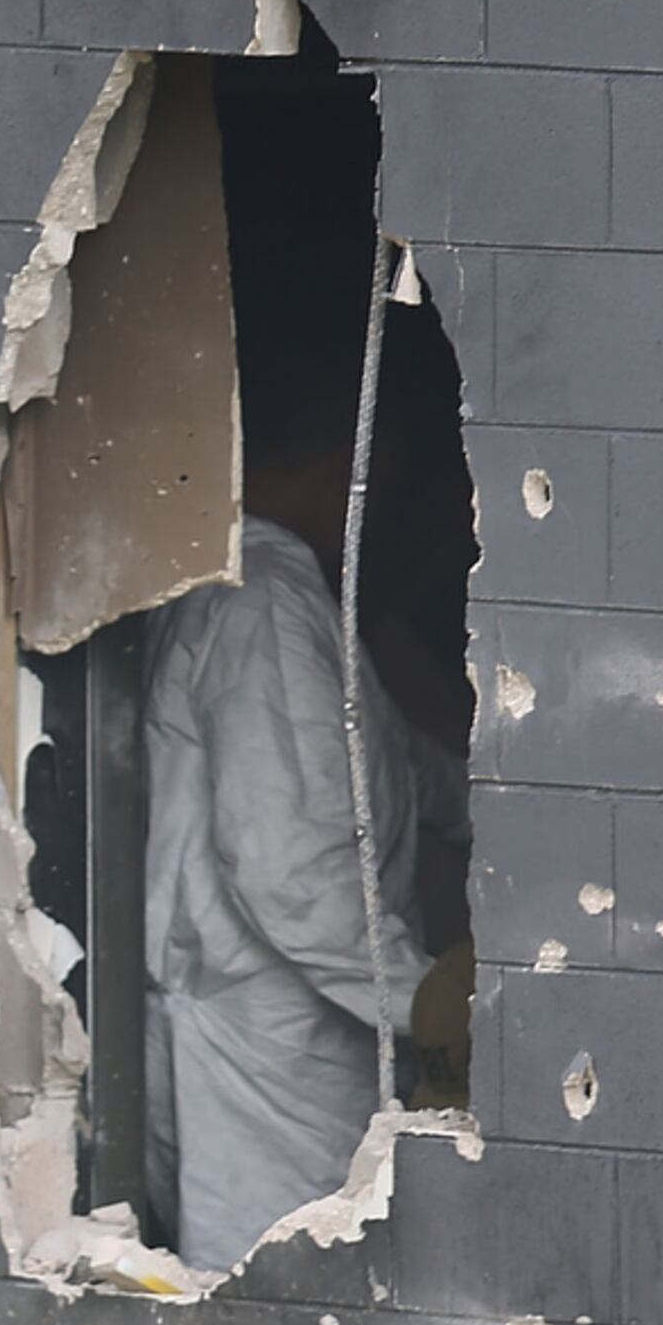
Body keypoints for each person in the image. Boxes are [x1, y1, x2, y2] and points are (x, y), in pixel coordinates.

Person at [141, 385, 472, 1272]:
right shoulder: (262, 604)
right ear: (340, 481)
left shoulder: (293, 605)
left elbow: (395, 762)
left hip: (303, 1042)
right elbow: (287, 864)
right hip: (269, 1060)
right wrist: (424, 998)